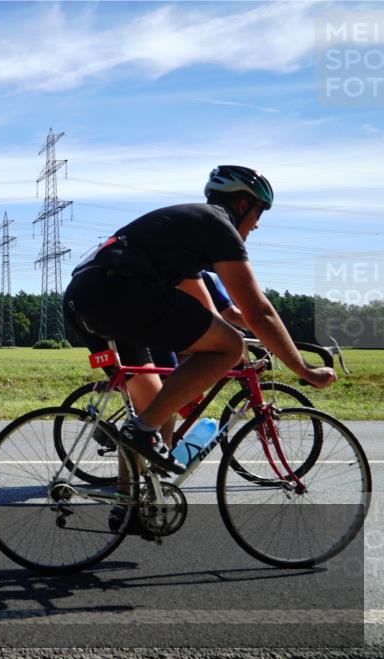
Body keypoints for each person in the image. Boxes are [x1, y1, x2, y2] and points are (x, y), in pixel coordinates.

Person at [63, 165, 336, 475]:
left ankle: (131, 508)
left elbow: (212, 317)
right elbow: (258, 312)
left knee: (156, 407)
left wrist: (245, 343)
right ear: (243, 205)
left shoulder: (185, 234)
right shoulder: (218, 224)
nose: (257, 226)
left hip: (83, 298)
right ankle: (143, 433)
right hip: (121, 292)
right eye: (260, 214)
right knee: (226, 349)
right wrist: (304, 369)